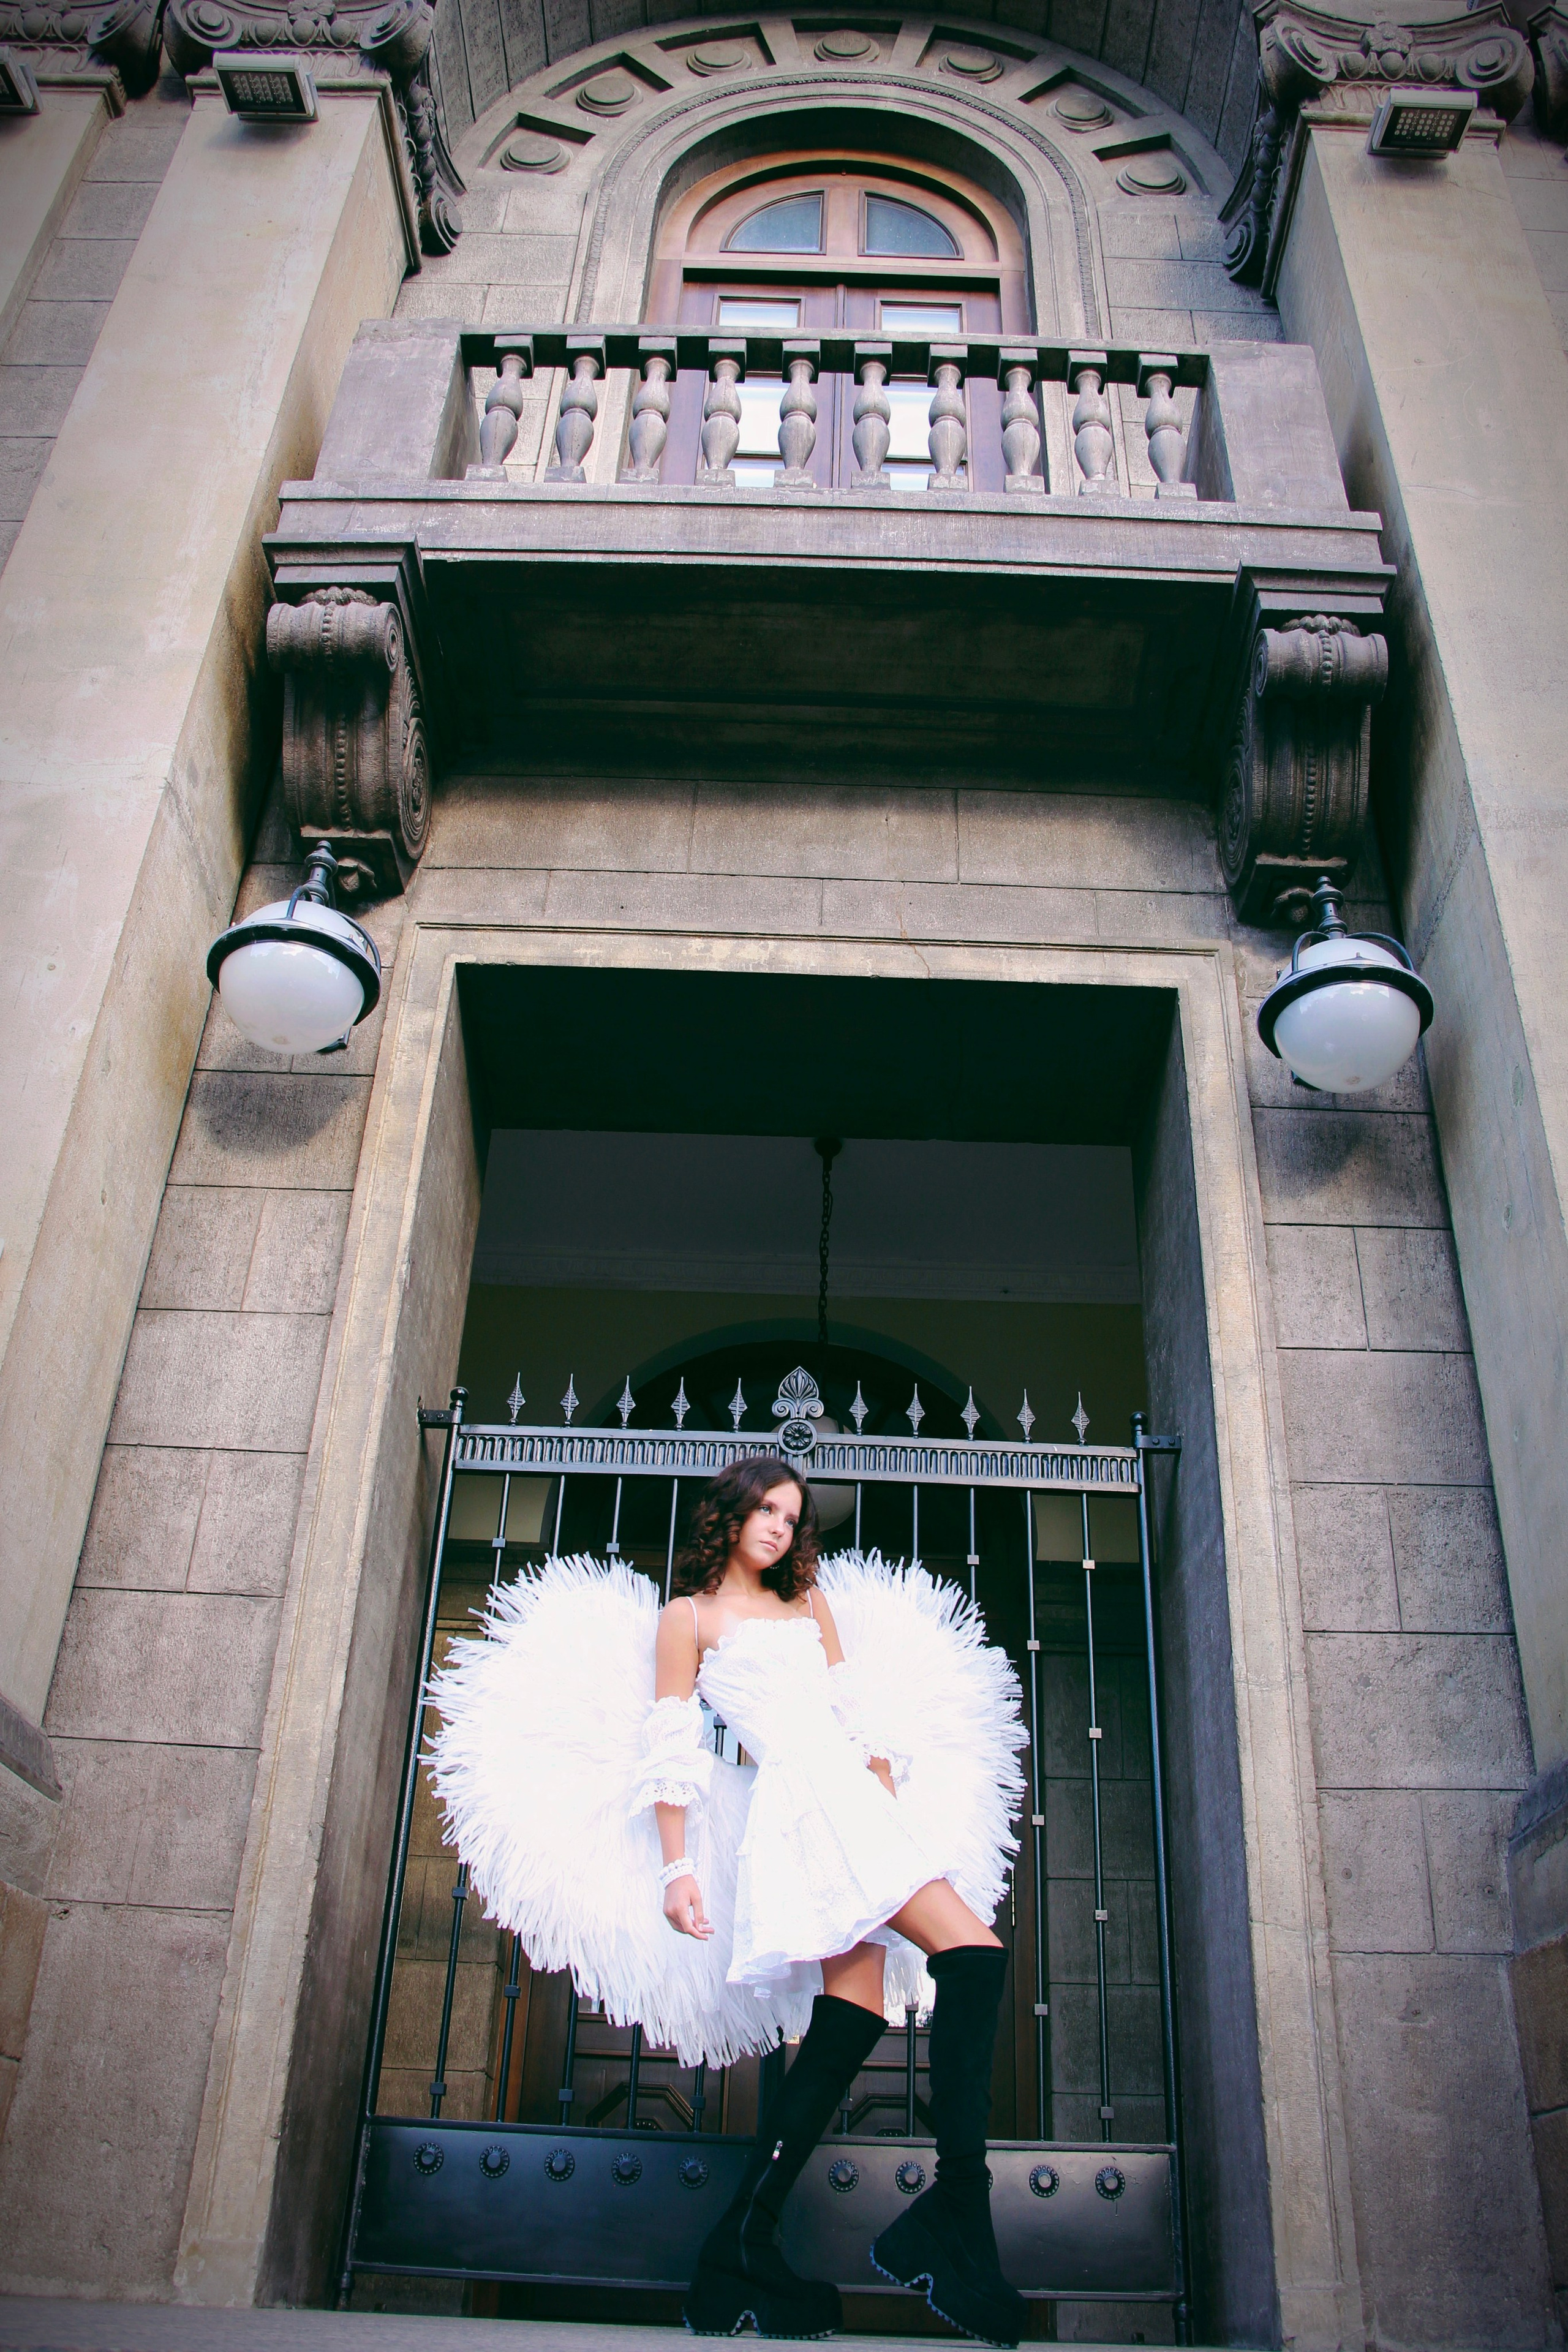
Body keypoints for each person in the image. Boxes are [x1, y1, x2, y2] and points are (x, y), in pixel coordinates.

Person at [428, 1449, 1027, 2346]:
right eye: (769, 1511)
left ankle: (740, 2241)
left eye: (795, 1515)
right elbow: (671, 1745)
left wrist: (886, 1792)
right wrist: (678, 1871)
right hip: (800, 1808)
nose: (784, 1527)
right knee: (972, 1955)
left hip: (856, 1803)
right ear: (733, 1514)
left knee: (855, 2016)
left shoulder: (808, 1601)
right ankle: (955, 2211)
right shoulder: (690, 1618)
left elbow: (850, 1709)